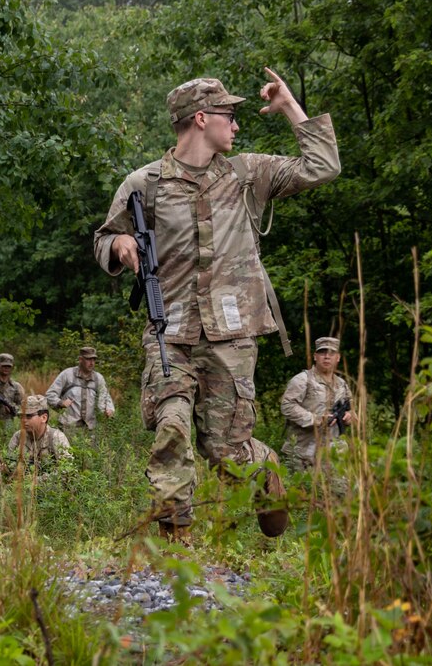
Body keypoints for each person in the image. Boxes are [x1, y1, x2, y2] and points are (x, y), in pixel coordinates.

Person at [93, 68, 341, 541]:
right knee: (171, 426)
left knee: (224, 451)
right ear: (201, 119)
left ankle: (262, 464)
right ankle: (175, 538)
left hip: (233, 335)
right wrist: (121, 245)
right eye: (229, 115)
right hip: (170, 331)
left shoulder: (248, 174)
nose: (237, 125)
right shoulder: (144, 184)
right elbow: (103, 239)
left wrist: (290, 106)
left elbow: (323, 166)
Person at [280, 336, 355, 473]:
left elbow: (353, 409)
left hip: (333, 454)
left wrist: (350, 416)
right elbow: (287, 406)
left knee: (336, 493)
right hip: (303, 453)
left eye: (331, 353)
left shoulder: (342, 384)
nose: (327, 357)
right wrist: (316, 419)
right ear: (315, 356)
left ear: (337, 358)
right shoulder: (303, 380)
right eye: (322, 352)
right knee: (301, 492)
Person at [45, 346, 115, 443]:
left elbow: (106, 397)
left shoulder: (98, 378)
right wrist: (60, 403)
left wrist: (109, 409)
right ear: (80, 359)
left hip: (91, 430)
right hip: (68, 429)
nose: (92, 363)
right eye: (88, 359)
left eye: (94, 359)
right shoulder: (67, 374)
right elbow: (50, 394)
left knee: (89, 457)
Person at [7, 395, 72, 465]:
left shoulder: (56, 437)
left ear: (44, 418)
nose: (23, 420)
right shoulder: (18, 436)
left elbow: (67, 469)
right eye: (21, 416)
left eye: (29, 416)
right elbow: (9, 462)